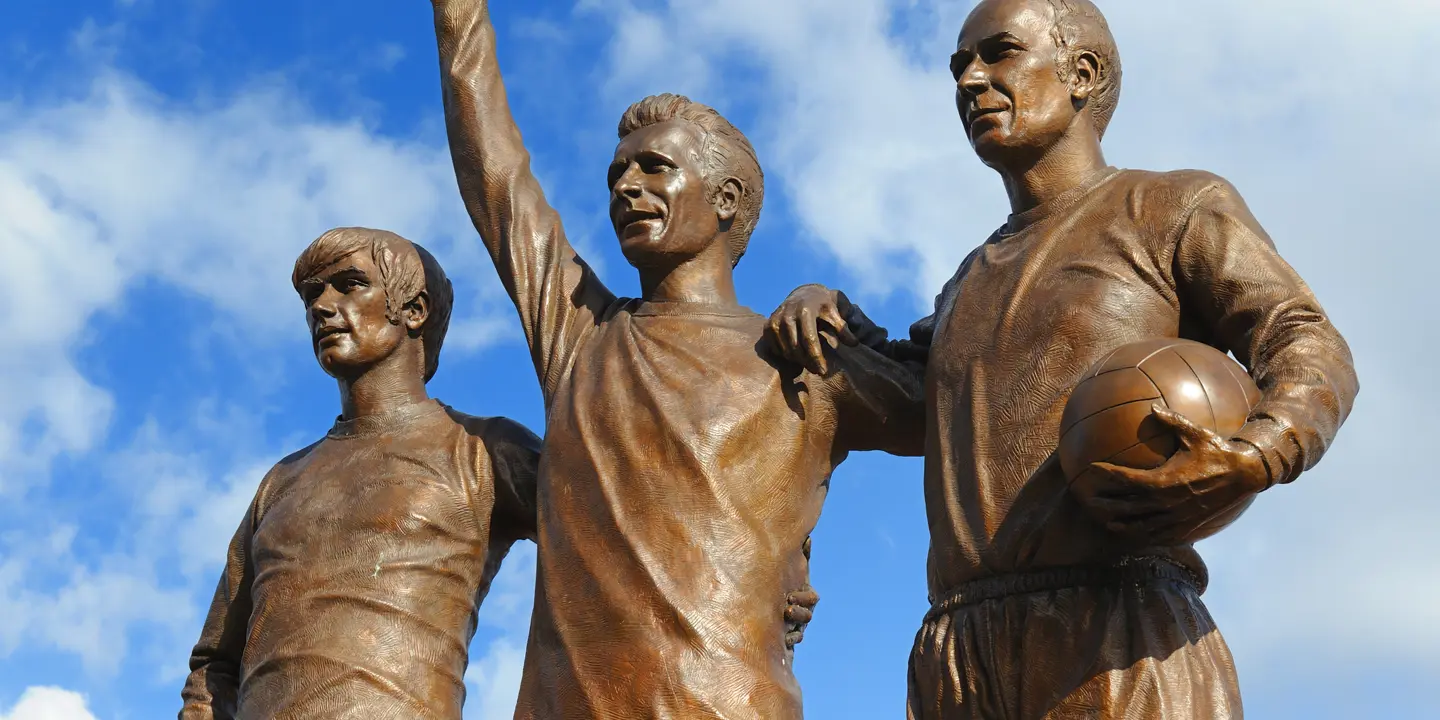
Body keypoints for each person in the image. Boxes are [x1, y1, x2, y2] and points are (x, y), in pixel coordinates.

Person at [767, 0, 1359, 717]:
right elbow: (916, 401)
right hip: (960, 649)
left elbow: (1302, 337)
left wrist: (1264, 448)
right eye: (959, 66)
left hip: (1118, 628)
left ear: (1081, 72)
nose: (970, 80)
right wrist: (822, 317)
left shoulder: (1168, 205)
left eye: (998, 53)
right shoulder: (968, 279)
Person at [427, 0, 924, 716]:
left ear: (725, 199)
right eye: (618, 175)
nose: (626, 187)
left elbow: (965, 394)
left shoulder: (801, 355)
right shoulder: (581, 337)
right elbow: (496, 178)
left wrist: (848, 315)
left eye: (655, 168)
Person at [178, 227, 542, 719]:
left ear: (414, 310)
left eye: (349, 284)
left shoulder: (483, 448)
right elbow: (214, 666)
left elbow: (615, 554)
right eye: (312, 294)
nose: (322, 307)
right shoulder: (282, 480)